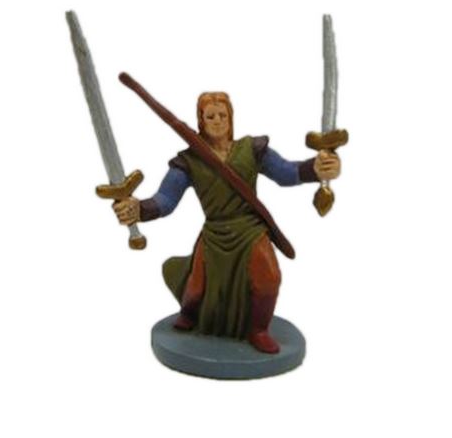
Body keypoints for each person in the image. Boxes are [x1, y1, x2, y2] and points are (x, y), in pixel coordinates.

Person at [113, 92, 342, 354]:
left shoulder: (252, 149)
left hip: (250, 229)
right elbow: (165, 199)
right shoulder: (188, 162)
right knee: (196, 289)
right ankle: (191, 312)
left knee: (269, 278)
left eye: (222, 115)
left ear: (231, 118)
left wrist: (317, 169)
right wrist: (139, 210)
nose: (217, 121)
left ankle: (258, 329)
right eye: (210, 116)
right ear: (201, 120)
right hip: (215, 232)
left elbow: (287, 173)